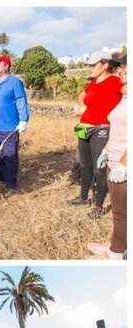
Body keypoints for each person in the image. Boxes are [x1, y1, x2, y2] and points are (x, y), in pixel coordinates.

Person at [69, 51, 124, 218]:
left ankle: (98, 205)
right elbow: (81, 96)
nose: (90, 68)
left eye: (93, 65)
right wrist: (82, 107)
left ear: (105, 64)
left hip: (102, 129)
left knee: (99, 168)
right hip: (84, 127)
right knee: (84, 165)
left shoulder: (116, 82)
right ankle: (83, 197)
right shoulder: (92, 83)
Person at [88, 53, 126, 258]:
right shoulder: (127, 97)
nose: (121, 70)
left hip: (123, 163)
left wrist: (124, 164)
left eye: (125, 67)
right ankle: (117, 244)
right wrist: (106, 150)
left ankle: (116, 254)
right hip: (114, 157)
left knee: (122, 213)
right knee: (120, 212)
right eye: (120, 67)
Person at [0, 54, 29, 196]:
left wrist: (24, 119)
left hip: (9, 126)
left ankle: (11, 184)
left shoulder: (15, 82)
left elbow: (20, 100)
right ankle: (0, 176)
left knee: (10, 155)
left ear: (6, 66)